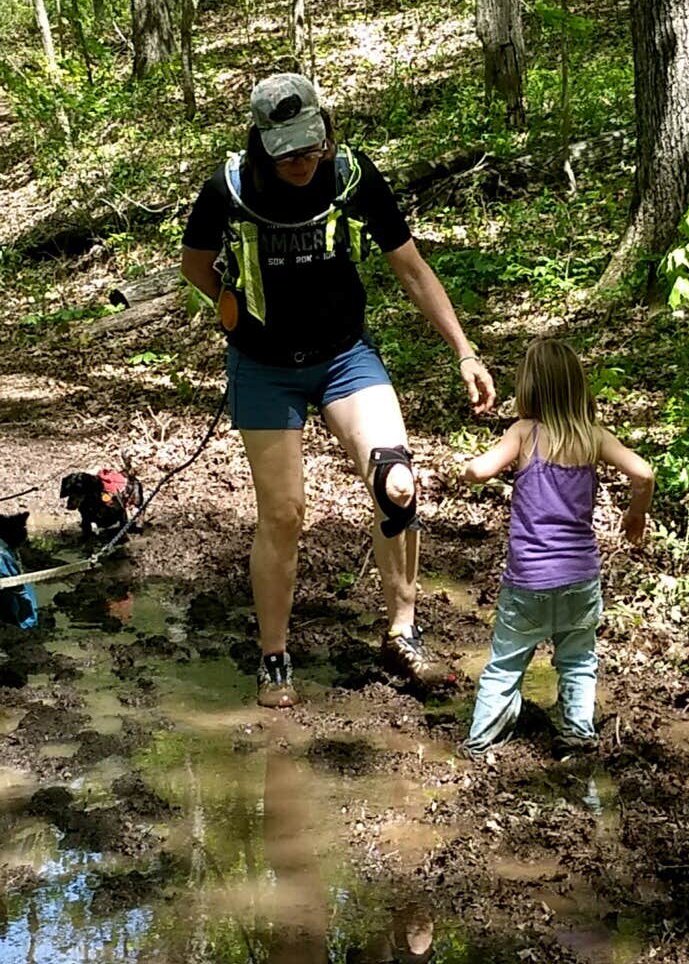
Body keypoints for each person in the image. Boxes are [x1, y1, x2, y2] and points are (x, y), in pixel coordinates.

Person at [181, 73, 495, 708]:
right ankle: (274, 656)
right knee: (283, 513)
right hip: (263, 366)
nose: (302, 163)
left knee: (397, 483)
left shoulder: (351, 175)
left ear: (326, 132)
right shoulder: (229, 188)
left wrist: (464, 350)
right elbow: (193, 262)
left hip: (344, 356)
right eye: (287, 154)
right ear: (262, 145)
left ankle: (402, 633)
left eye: (311, 147)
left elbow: (411, 267)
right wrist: (227, 301)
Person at [458, 337, 654, 759]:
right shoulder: (593, 437)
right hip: (580, 580)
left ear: (529, 387)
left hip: (528, 580)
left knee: (505, 665)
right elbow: (644, 474)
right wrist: (635, 514)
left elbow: (478, 470)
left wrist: (470, 470)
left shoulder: (524, 433)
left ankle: (480, 742)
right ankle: (578, 733)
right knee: (578, 660)